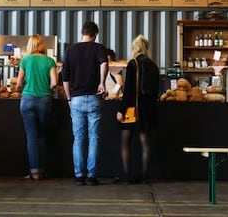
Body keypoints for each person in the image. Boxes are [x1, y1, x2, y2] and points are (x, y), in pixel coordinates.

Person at [62, 21, 109, 186]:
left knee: (78, 138)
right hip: (94, 98)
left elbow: (65, 78)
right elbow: (104, 63)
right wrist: (102, 82)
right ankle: (91, 176)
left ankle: (79, 175)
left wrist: (68, 98)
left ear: (82, 33)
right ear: (95, 34)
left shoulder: (70, 50)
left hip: (76, 99)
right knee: (94, 138)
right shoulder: (98, 48)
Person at [116, 34, 159, 184]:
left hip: (132, 109)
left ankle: (127, 175)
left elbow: (129, 91)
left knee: (125, 142)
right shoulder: (153, 66)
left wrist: (121, 110)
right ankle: (145, 175)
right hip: (148, 110)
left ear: (135, 48)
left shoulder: (133, 63)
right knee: (145, 143)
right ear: (146, 48)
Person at [17, 34, 58, 180]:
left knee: (31, 137)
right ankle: (43, 170)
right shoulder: (49, 61)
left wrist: (24, 86)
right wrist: (48, 87)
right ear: (42, 46)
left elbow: (18, 83)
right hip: (44, 101)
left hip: (27, 100)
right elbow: (54, 83)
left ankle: (34, 172)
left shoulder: (25, 60)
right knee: (42, 135)